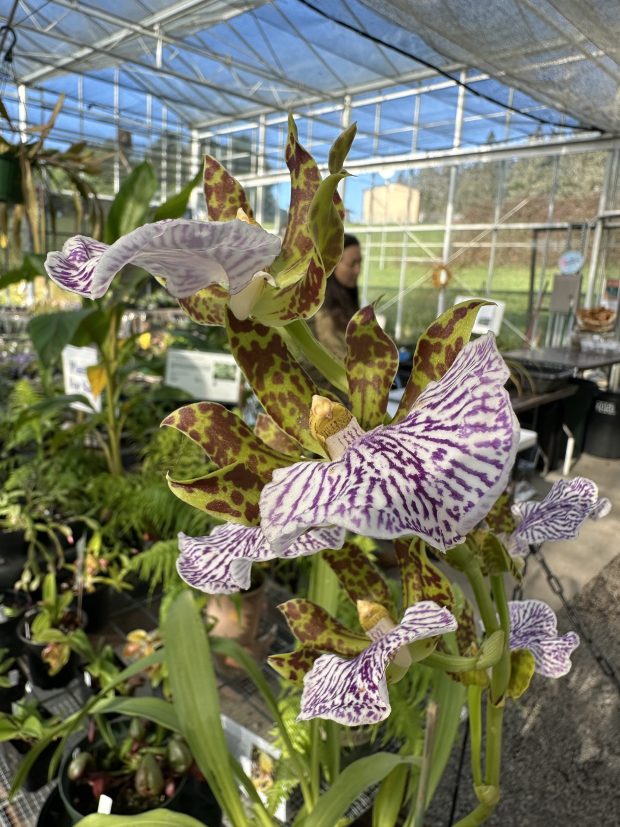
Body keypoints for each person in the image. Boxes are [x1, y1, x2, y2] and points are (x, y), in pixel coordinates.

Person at [311, 233, 362, 360]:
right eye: (352, 264)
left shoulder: (346, 297)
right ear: (332, 264)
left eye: (360, 262)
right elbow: (336, 358)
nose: (358, 270)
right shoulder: (322, 312)